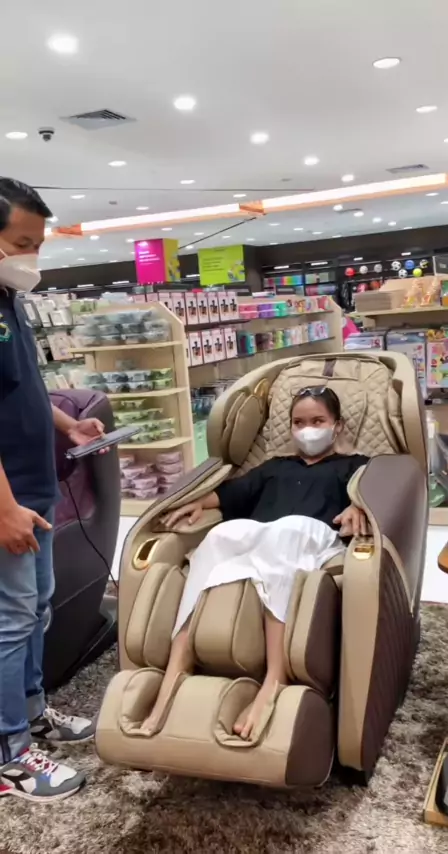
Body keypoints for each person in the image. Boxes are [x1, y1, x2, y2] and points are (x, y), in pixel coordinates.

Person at [140, 386, 369, 741]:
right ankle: (176, 668)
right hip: (263, 534)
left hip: (313, 535)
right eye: (299, 423)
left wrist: (358, 504)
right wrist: (199, 502)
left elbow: (373, 490)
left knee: (286, 531)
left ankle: (276, 677)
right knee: (219, 535)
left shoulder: (355, 465)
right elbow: (232, 493)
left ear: (337, 425)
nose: (307, 430)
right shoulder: (275, 467)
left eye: (318, 421)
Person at [0, 178, 105, 802]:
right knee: (10, 620)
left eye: (37, 244)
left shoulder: (9, 300)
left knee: (36, 610)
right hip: (8, 498)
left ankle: (33, 713)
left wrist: (69, 424)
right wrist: (4, 507)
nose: (32, 257)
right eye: (21, 244)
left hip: (33, 488)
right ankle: (9, 752)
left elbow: (23, 388)